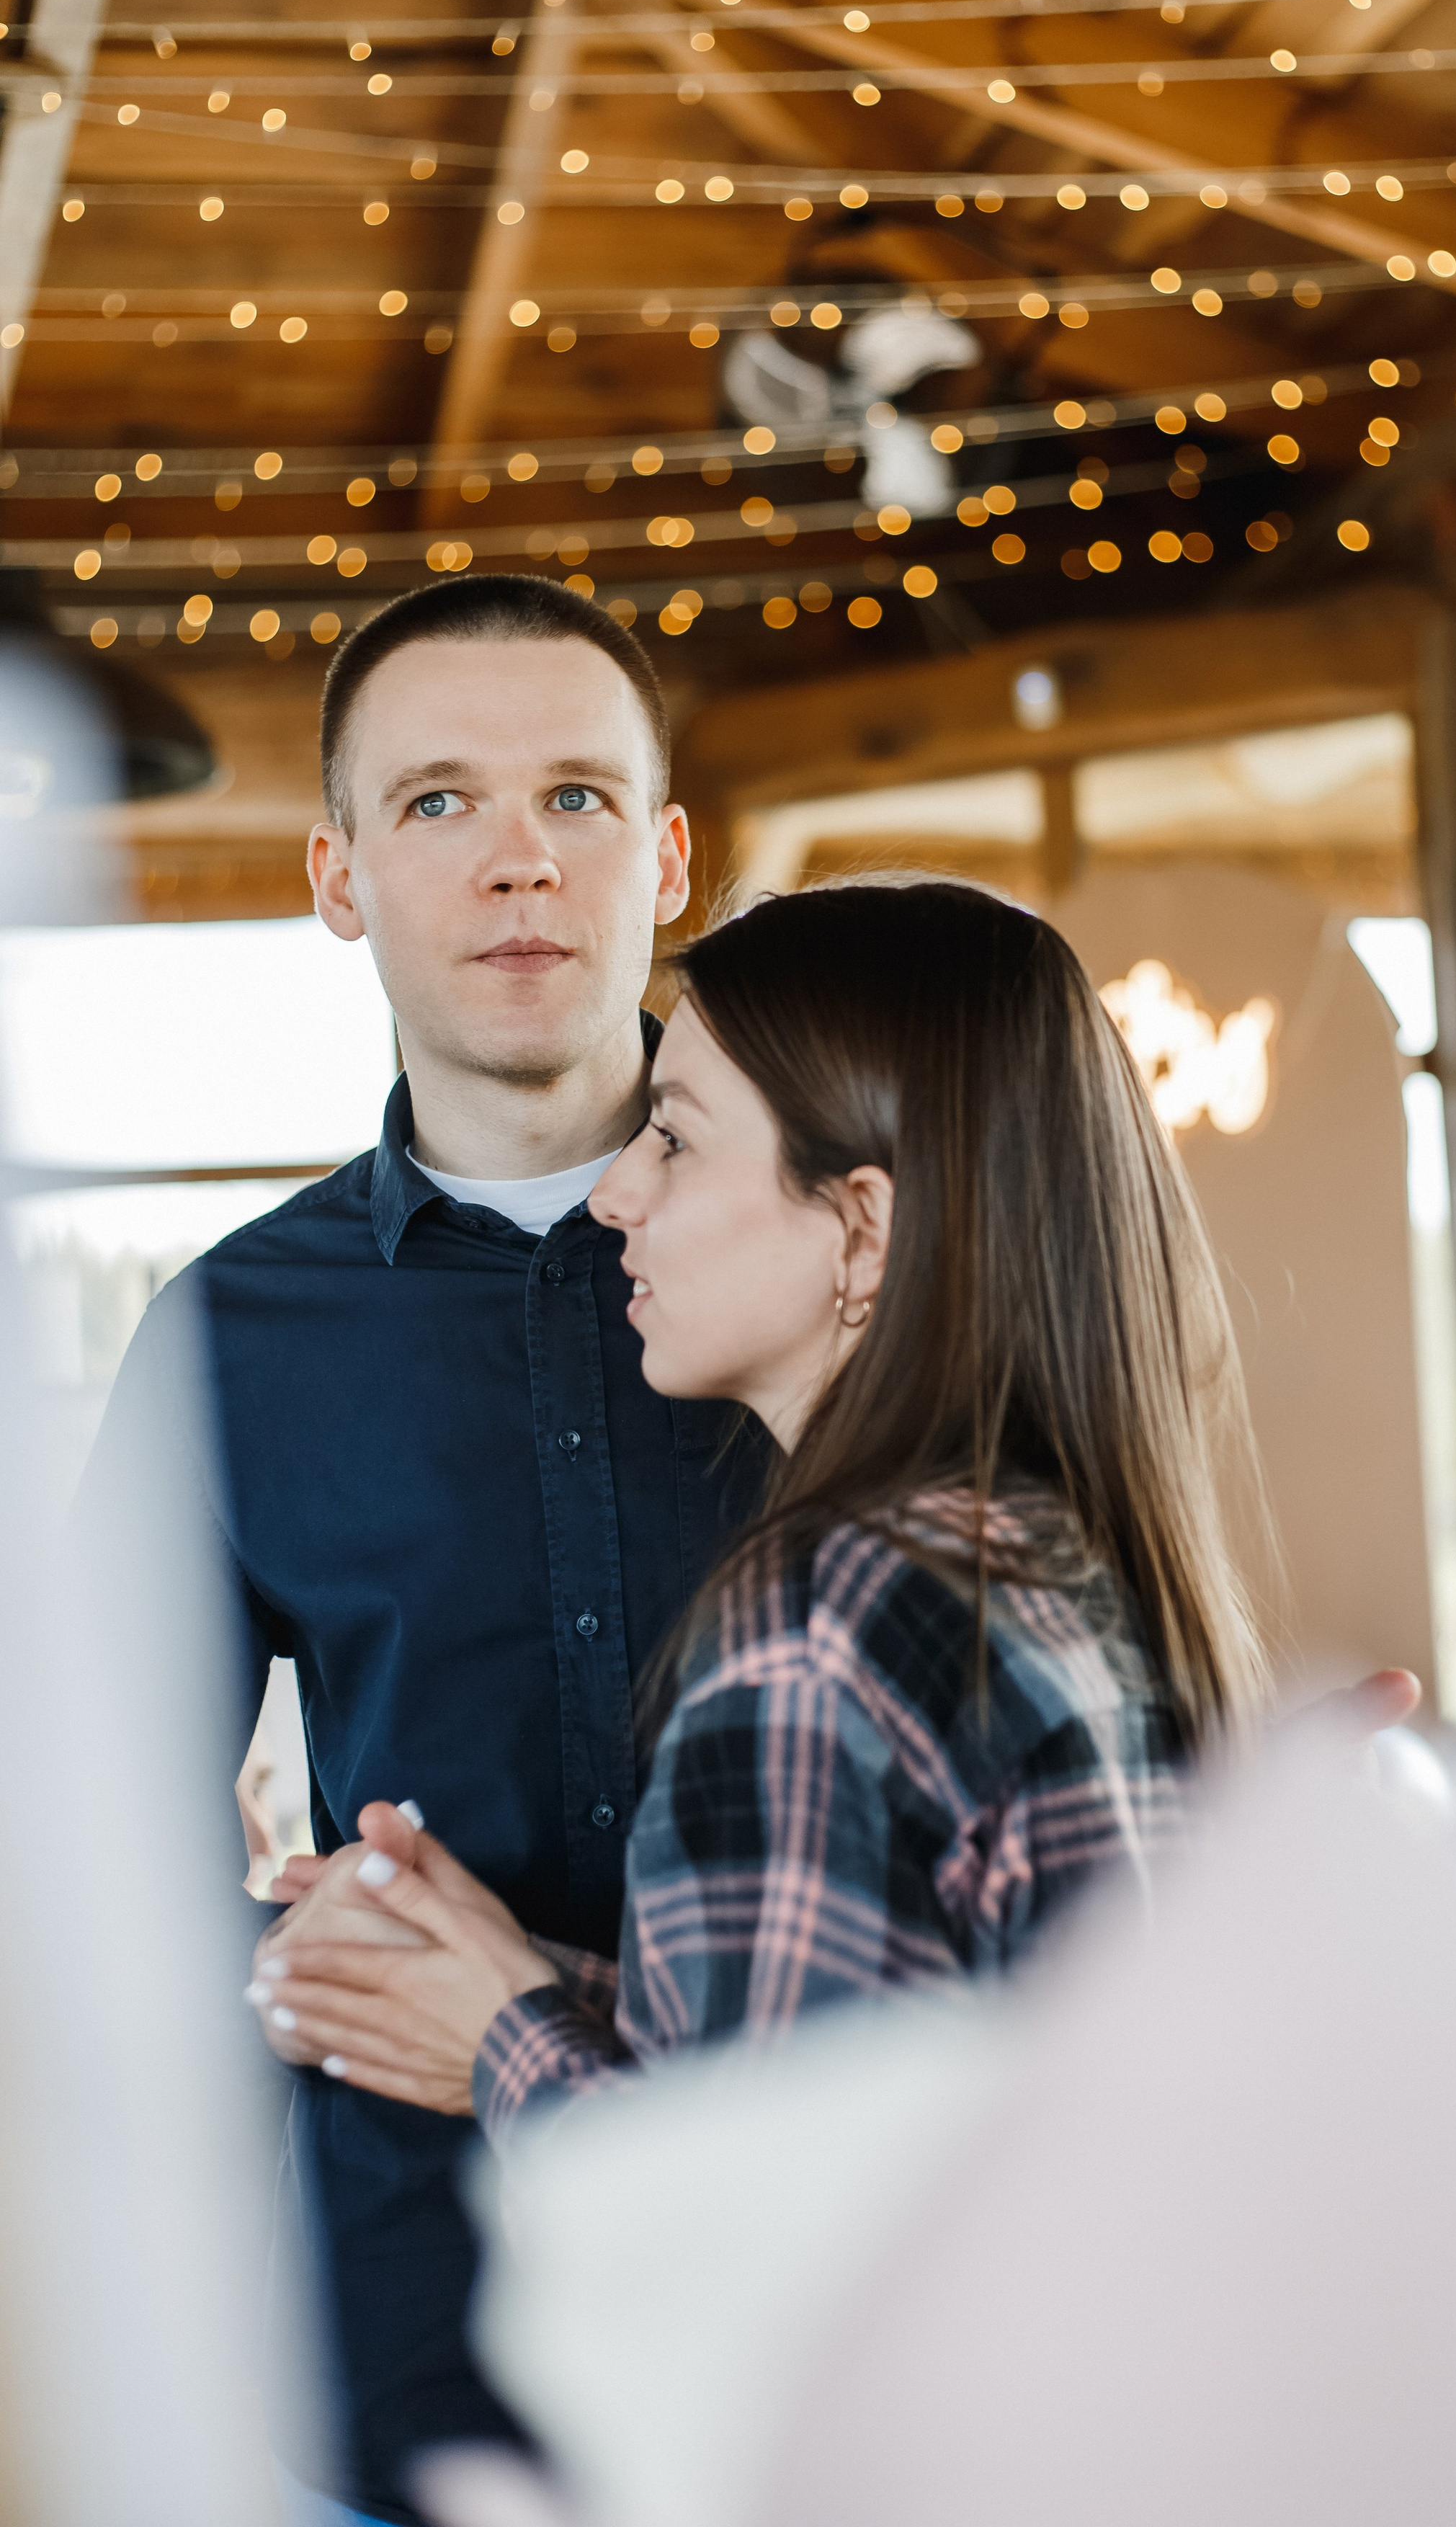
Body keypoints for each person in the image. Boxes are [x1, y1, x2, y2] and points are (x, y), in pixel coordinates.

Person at [79, 576, 764, 2527]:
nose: (521, 863)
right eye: (440, 804)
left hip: (833, 2314)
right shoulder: (228, 1336)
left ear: (671, 854)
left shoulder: (856, 1268)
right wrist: (282, 1976)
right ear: (338, 876)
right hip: (404, 2340)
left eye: (578, 798)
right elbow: (92, 1839)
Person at [242, 881, 1287, 2134]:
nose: (615, 1195)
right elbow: (921, 2080)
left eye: (675, 1137)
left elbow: (765, 2275)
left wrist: (502, 2044)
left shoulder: (815, 1637)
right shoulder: (1027, 1559)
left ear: (861, 1232)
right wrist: (518, 1977)